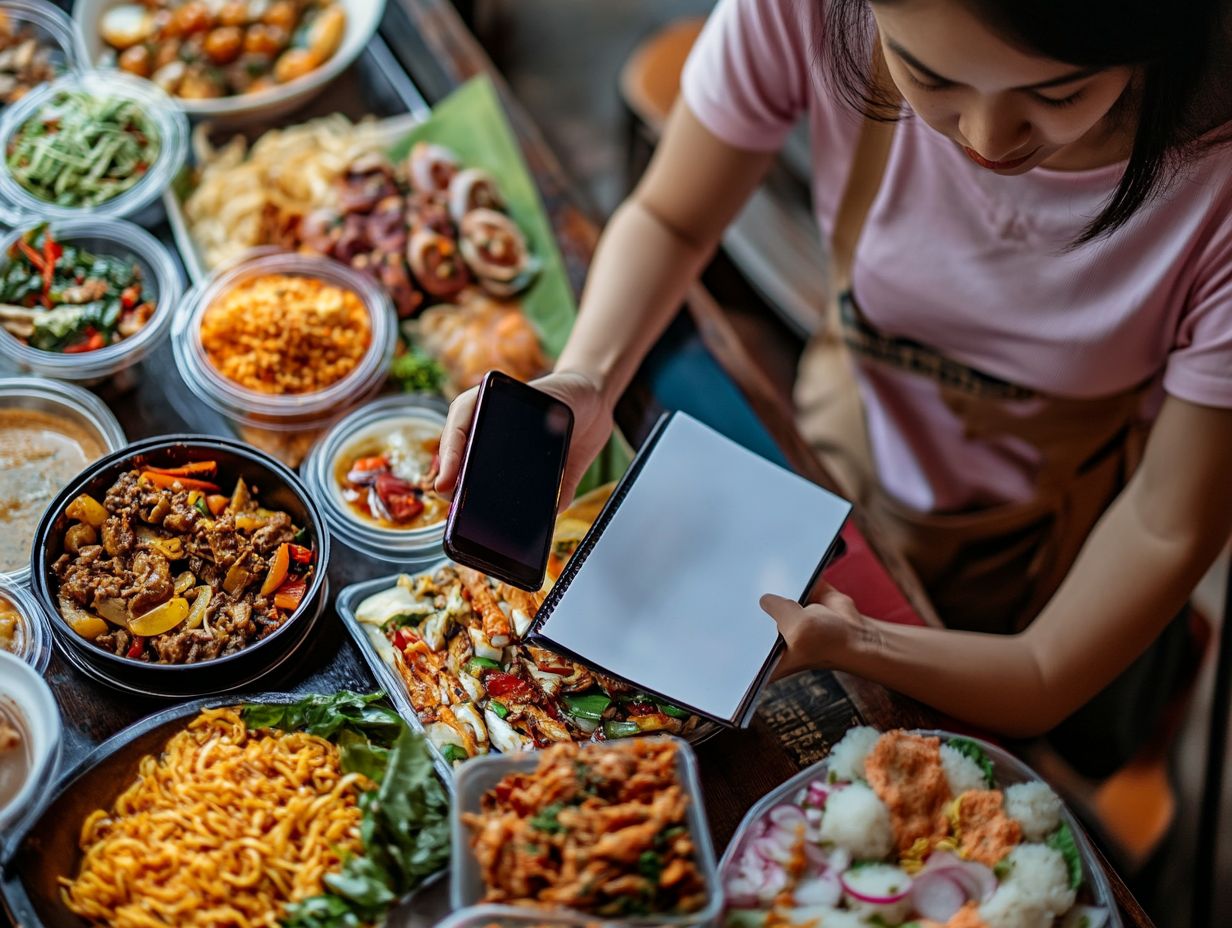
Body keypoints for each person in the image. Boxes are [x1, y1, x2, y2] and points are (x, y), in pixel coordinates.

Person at [437, 0, 1232, 769]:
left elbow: (1050, 665)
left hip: (1039, 557)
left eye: (1058, 94)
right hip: (829, 451)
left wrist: (865, 646)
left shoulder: (1213, 188)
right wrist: (590, 375)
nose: (987, 140)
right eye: (930, 78)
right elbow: (672, 219)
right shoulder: (812, 8)